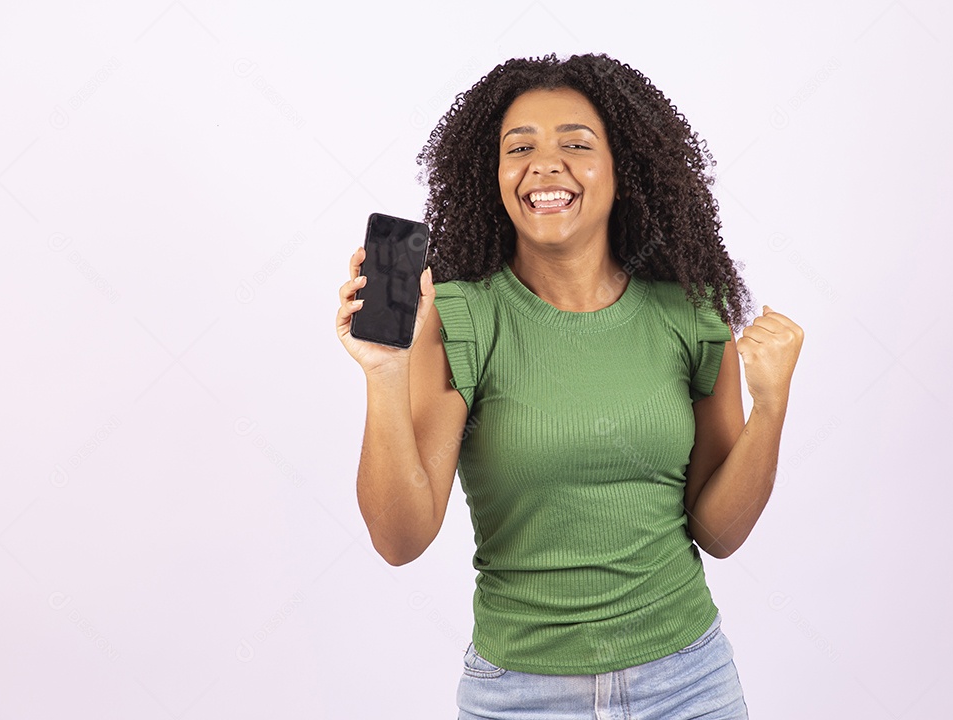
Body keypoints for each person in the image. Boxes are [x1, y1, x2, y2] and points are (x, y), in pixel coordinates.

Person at [336, 52, 803, 720]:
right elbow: (399, 540)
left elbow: (718, 531)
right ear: (492, 174)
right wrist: (384, 374)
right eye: (519, 147)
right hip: (523, 695)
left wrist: (772, 408)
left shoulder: (692, 311)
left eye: (576, 145)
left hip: (690, 685)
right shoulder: (462, 316)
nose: (545, 164)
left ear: (624, 168)